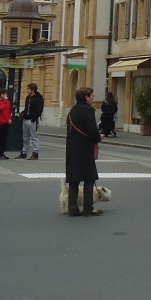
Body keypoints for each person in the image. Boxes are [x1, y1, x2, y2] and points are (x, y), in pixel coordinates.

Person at [66, 86, 103, 217]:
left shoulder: (72, 111)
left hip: (72, 148)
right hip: (85, 148)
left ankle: (72, 208)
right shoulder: (88, 110)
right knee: (89, 178)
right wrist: (99, 138)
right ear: (86, 97)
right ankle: (88, 207)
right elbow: (92, 129)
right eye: (92, 96)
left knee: (74, 179)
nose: (93, 98)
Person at [18, 82, 44, 159]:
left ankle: (35, 152)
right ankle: (24, 152)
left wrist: (34, 118)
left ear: (32, 90)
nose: (27, 90)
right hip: (26, 118)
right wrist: (23, 113)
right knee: (25, 137)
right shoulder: (28, 98)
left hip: (32, 120)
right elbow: (27, 108)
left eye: (28, 88)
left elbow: (39, 109)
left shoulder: (38, 98)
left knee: (34, 137)